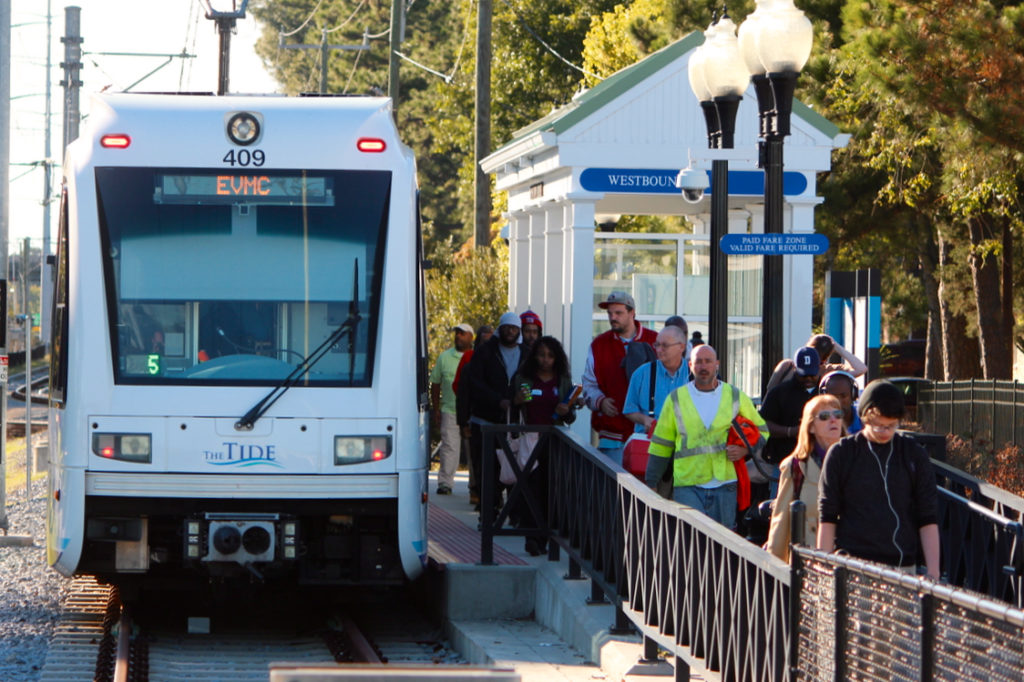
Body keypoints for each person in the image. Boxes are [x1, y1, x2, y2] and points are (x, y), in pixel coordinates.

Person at [817, 380, 940, 579]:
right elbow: (827, 514)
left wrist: (933, 571)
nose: (885, 432)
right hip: (854, 565)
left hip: (903, 566)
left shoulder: (913, 454)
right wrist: (823, 566)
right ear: (865, 419)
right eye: (878, 425)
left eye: (891, 426)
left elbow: (927, 515)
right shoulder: (842, 453)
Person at [645, 344, 768, 528]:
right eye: (698, 362)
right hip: (688, 483)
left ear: (716, 364)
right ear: (690, 365)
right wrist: (651, 481)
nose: (703, 367)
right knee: (690, 543)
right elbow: (661, 443)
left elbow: (763, 431)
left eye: (708, 361)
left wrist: (744, 450)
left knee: (722, 544)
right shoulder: (676, 398)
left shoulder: (734, 395)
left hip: (725, 483)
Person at [510, 336, 580, 555]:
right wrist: (516, 401)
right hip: (529, 440)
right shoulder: (524, 378)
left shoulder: (563, 380)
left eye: (550, 355)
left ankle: (544, 538)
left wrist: (566, 411)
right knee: (529, 488)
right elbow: (510, 408)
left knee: (551, 489)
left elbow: (570, 417)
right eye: (541, 355)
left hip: (555, 442)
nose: (545, 360)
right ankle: (531, 537)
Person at [582, 291, 658, 464]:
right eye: (609, 313)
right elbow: (588, 384)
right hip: (612, 436)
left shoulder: (655, 341)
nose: (612, 317)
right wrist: (600, 401)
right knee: (612, 490)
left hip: (649, 436)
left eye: (618, 313)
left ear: (632, 313)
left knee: (646, 490)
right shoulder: (598, 345)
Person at [766, 395, 845, 561]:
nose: (833, 420)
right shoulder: (795, 466)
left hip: (848, 560)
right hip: (810, 562)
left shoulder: (855, 460)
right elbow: (781, 521)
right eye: (824, 416)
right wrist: (773, 567)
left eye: (837, 415)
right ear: (811, 427)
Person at [466, 312, 526, 509]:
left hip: (514, 425)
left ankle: (515, 514)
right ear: (501, 329)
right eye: (507, 327)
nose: (510, 331)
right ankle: (488, 514)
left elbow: (531, 386)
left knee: (515, 470)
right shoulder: (485, 352)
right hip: (486, 422)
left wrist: (522, 401)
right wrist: (497, 401)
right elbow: (474, 384)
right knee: (487, 471)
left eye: (514, 328)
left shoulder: (527, 354)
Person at [760, 346, 821, 497]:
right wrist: (791, 431)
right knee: (780, 509)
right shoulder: (780, 392)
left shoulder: (826, 390)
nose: (808, 379)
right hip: (784, 462)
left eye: (812, 375)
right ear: (795, 368)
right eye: (803, 375)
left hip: (820, 463)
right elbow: (763, 424)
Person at [430, 323, 474, 495]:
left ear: (471, 337)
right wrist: (436, 409)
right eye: (457, 333)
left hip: (472, 412)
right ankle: (445, 484)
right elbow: (435, 383)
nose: (458, 336)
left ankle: (475, 486)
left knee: (473, 450)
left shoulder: (476, 356)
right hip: (450, 410)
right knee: (449, 448)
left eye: (462, 334)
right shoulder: (444, 357)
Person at [623, 325, 690, 434]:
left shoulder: (694, 376)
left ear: (681, 347)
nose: (659, 350)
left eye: (665, 345)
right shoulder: (641, 373)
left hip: (685, 444)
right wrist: (645, 420)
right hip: (649, 444)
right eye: (657, 345)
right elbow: (629, 410)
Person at [765, 333, 867, 394]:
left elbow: (861, 369)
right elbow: (769, 393)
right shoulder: (787, 366)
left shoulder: (828, 371)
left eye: (820, 361)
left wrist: (835, 345)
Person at [819, 370, 862, 434]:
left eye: (843, 396)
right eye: (833, 397)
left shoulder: (866, 422)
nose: (838, 401)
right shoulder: (818, 425)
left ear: (853, 395)